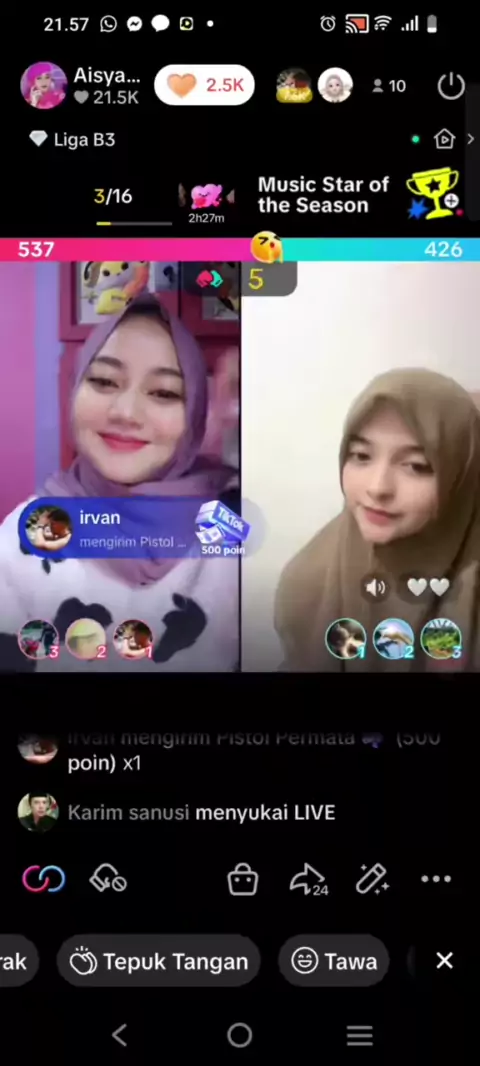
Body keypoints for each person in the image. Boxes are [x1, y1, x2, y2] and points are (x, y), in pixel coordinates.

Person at [0, 295, 239, 672]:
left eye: (163, 392)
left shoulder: (231, 524)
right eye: (104, 381)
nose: (125, 413)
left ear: (194, 413)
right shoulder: (24, 536)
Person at [275, 369, 480, 672]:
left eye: (416, 466)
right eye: (361, 456)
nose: (377, 487)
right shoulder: (308, 581)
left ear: (459, 476)